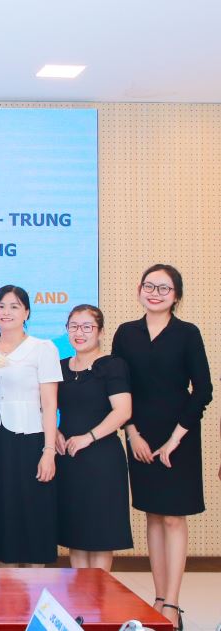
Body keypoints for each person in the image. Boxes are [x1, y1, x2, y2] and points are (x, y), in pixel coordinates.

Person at [112, 264, 212, 629]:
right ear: (139, 290)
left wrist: (174, 438)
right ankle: (157, 598)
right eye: (149, 286)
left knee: (173, 516)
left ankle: (172, 602)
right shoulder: (126, 333)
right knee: (152, 514)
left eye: (164, 288)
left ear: (176, 295)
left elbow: (203, 390)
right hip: (139, 434)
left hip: (179, 435)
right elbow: (118, 388)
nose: (155, 293)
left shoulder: (187, 333)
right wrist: (132, 433)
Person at [0, 285, 61, 567]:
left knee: (32, 513)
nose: (6, 312)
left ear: (27, 312)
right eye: (0, 306)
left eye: (14, 306)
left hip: (29, 440)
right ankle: (5, 582)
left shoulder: (42, 348)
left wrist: (49, 451)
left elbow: (50, 404)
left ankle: (35, 582)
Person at [55, 304, 133, 570]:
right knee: (76, 533)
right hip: (69, 458)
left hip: (102, 459)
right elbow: (45, 406)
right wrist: (55, 432)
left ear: (100, 331)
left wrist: (88, 437)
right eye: (74, 326)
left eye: (87, 327)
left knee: (100, 534)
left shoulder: (112, 366)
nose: (80, 333)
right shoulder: (60, 367)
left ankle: (99, 594)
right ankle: (80, 594)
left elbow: (122, 411)